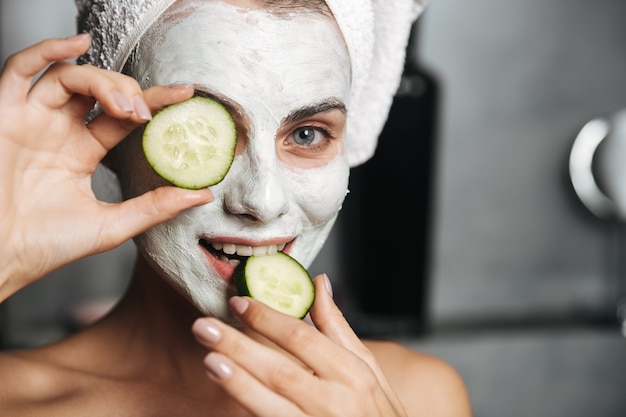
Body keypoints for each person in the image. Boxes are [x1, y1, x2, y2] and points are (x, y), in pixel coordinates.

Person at [0, 0, 473, 415]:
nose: (262, 202)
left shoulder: (416, 397)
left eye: (307, 134)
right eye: (201, 129)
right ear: (110, 138)